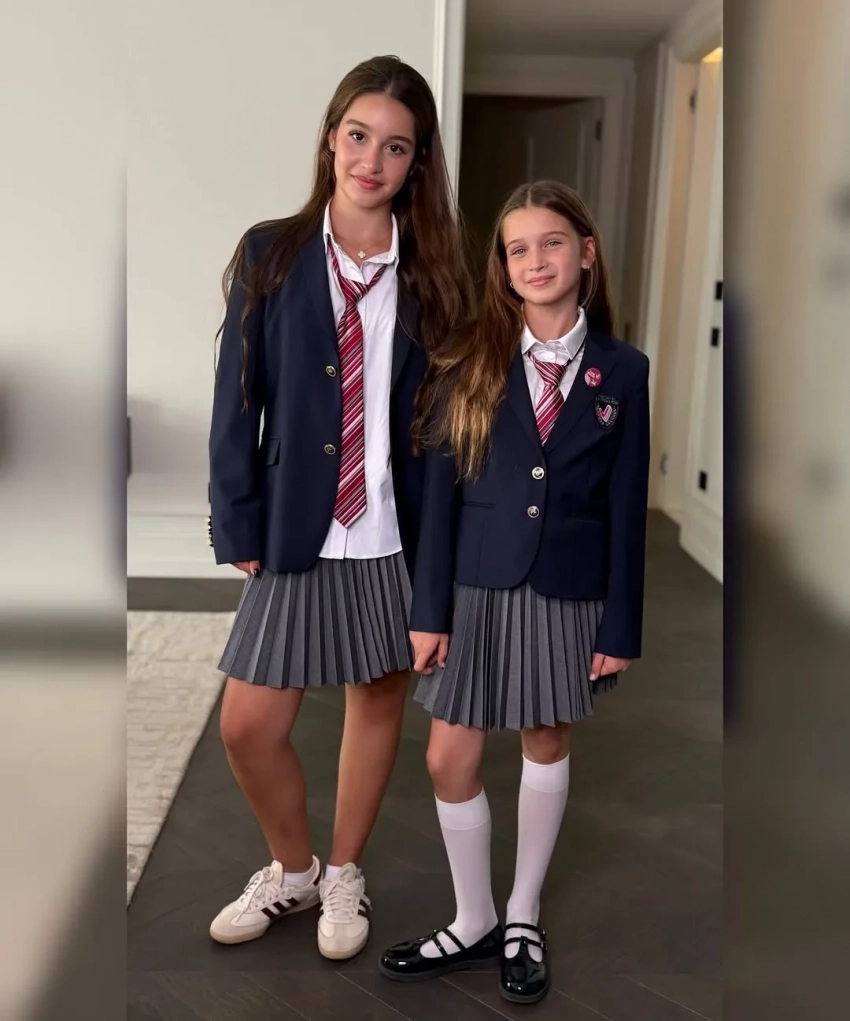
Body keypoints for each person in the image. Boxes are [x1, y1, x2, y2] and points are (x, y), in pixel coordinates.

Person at [206, 54, 471, 961]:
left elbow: (445, 437)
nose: (371, 160)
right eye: (359, 136)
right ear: (331, 138)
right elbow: (237, 396)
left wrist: (442, 563)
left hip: (392, 532)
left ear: (416, 162)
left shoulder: (436, 277)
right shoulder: (271, 252)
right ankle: (294, 869)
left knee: (377, 699)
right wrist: (236, 516)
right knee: (248, 725)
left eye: (396, 146)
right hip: (296, 522)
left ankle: (345, 872)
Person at [379, 181, 650, 1003]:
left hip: (567, 587)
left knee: (545, 735)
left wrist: (621, 624)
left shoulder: (624, 371)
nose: (536, 260)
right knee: (447, 755)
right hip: (473, 584)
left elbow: (626, 507)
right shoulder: (466, 360)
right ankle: (474, 918)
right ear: (502, 267)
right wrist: (428, 610)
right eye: (517, 249)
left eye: (552, 243)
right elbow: (439, 495)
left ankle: (522, 912)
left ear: (586, 253)